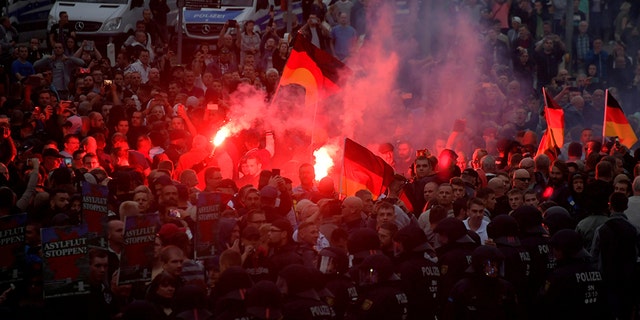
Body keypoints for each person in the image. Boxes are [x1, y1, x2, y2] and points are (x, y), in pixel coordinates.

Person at [538, 229, 609, 320]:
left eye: (555, 249)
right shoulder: (597, 272)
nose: (553, 253)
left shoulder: (559, 276)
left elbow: (544, 302)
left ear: (561, 250)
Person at [443, 246, 519, 320]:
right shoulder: (463, 288)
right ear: (480, 265)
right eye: (491, 266)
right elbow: (450, 315)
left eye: (497, 266)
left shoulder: (505, 288)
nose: (495, 270)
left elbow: (513, 314)